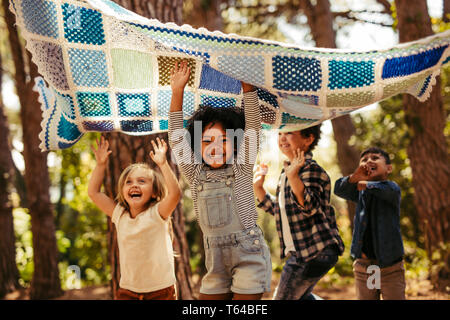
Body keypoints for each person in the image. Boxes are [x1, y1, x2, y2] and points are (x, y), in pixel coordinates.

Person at [168, 60, 271, 300]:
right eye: (206, 141)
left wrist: (248, 88)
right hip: (214, 261)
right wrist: (177, 92)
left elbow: (253, 127)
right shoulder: (194, 174)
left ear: (236, 145)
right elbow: (175, 137)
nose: (215, 147)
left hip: (249, 255)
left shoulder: (242, 167)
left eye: (223, 140)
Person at [253, 125, 344, 300]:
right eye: (280, 133)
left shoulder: (310, 169)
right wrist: (259, 188)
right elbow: (281, 211)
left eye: (289, 133)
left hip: (314, 251)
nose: (282, 138)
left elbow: (309, 207)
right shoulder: (287, 172)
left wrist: (294, 177)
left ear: (308, 139)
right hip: (305, 252)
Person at [88, 136, 181, 300]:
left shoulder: (157, 214)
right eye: (128, 182)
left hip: (160, 291)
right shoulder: (120, 215)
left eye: (142, 181)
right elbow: (93, 193)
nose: (134, 185)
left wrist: (163, 164)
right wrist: (101, 164)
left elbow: (174, 194)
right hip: (128, 291)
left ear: (154, 192)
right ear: (123, 190)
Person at [334, 147, 405, 300]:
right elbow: (338, 189)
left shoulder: (392, 189)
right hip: (364, 267)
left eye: (375, 158)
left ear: (388, 168)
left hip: (390, 268)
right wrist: (354, 177)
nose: (369, 161)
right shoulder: (360, 191)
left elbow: (385, 189)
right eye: (364, 160)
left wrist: (366, 184)